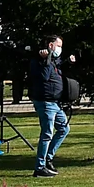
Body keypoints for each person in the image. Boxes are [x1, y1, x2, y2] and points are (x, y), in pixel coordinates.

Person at [30, 35, 72, 175]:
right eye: (58, 45)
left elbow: (58, 69)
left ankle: (48, 158)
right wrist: (46, 58)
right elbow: (44, 76)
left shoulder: (53, 60)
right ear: (50, 45)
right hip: (45, 102)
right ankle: (40, 167)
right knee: (47, 133)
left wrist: (68, 62)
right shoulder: (39, 60)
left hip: (55, 103)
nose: (60, 49)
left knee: (64, 129)